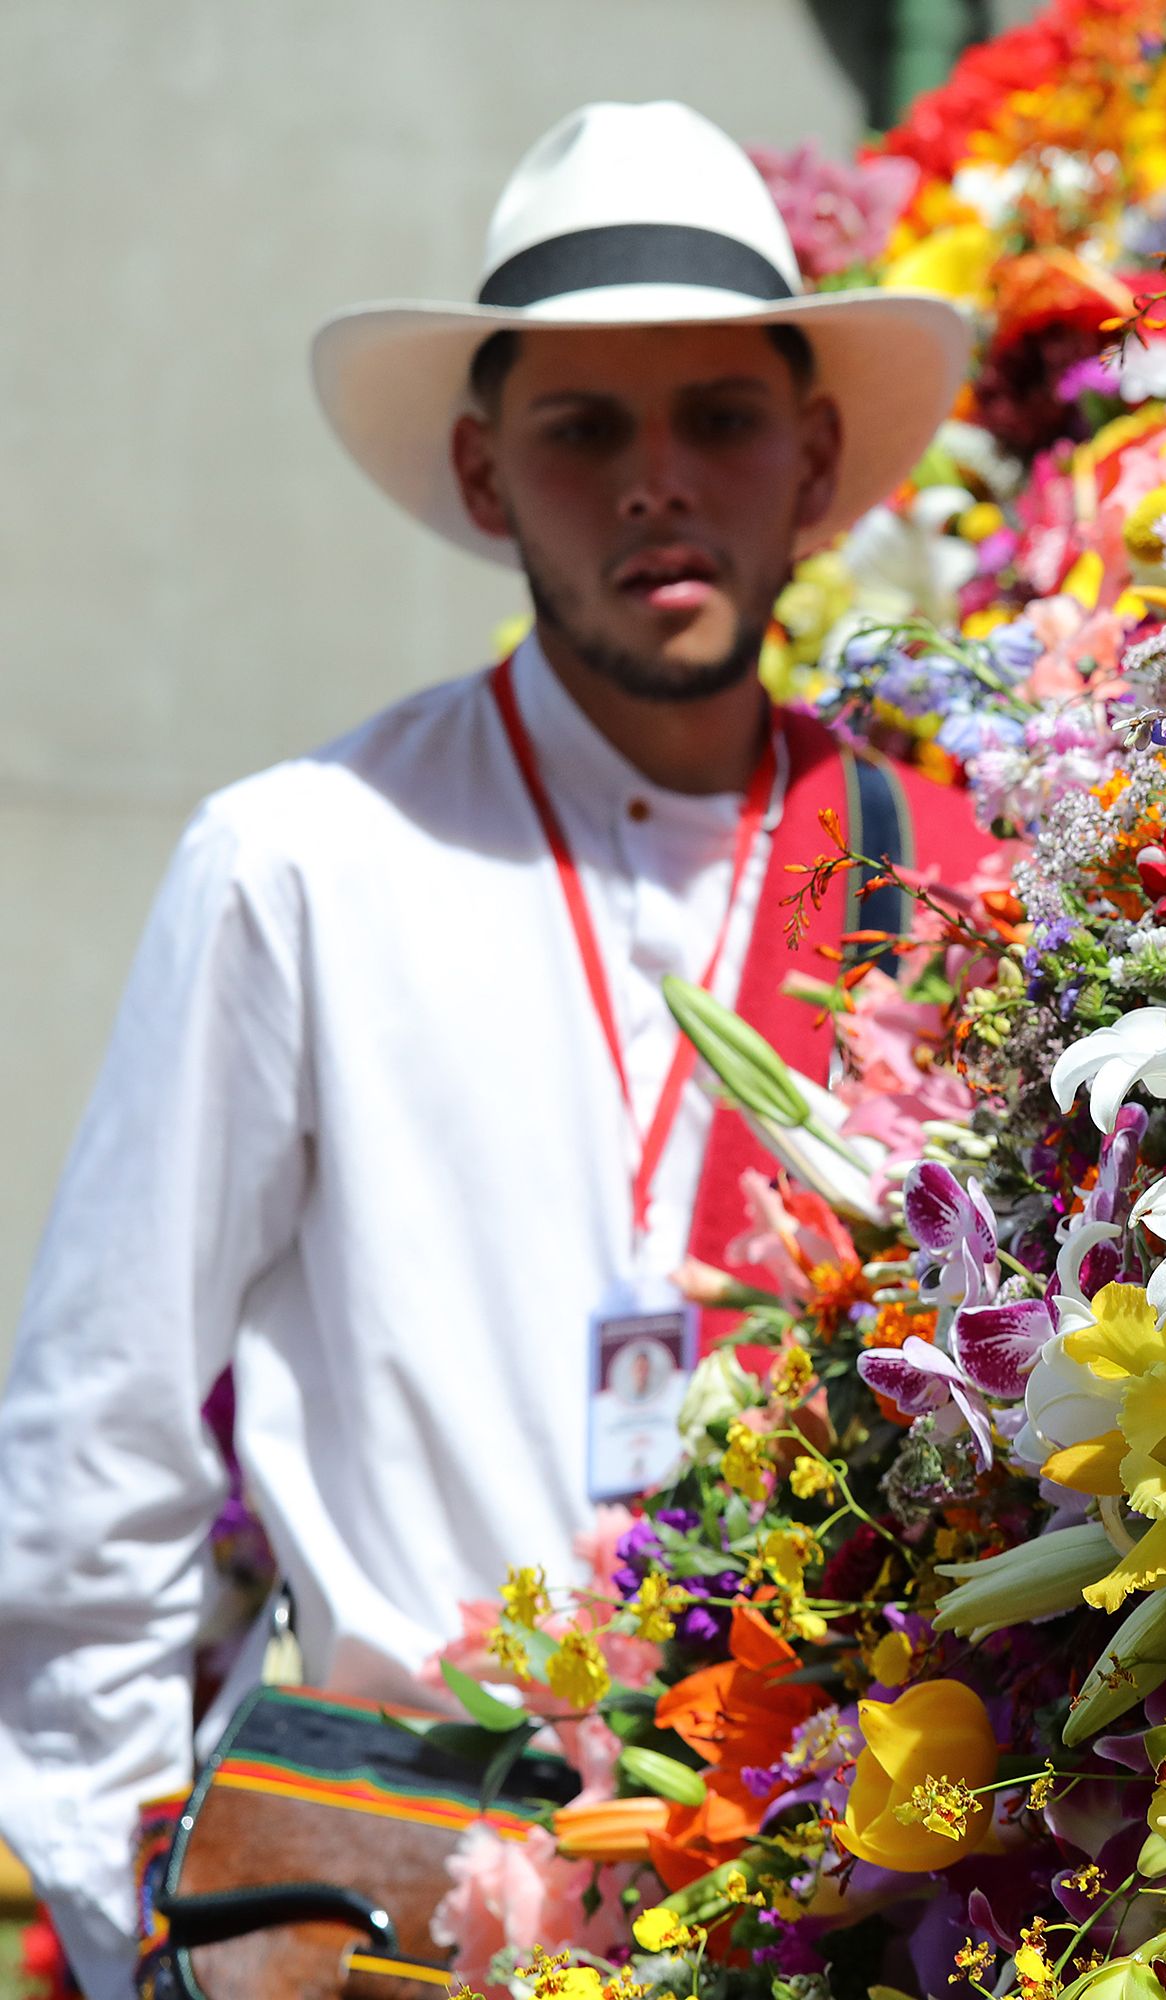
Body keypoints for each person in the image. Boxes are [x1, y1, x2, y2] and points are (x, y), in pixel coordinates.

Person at [0, 102, 992, 1999]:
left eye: (717, 416)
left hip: (820, 1899)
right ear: (483, 473)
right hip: (378, 1900)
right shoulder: (300, 863)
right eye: (583, 429)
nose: (654, 481)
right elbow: (95, 1443)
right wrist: (142, 1930)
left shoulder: (954, 882)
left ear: (814, 465)